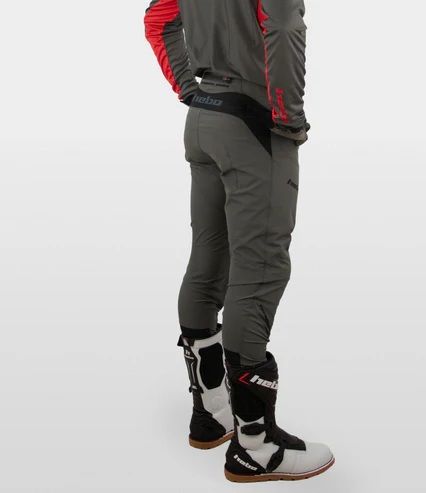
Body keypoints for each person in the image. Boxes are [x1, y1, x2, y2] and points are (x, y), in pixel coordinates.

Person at [144, 0, 334, 482]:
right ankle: (257, 445)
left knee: (208, 257)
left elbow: (159, 20)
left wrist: (190, 88)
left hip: (205, 115)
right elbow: (283, 24)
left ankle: (211, 412)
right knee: (260, 270)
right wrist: (287, 116)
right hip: (254, 122)